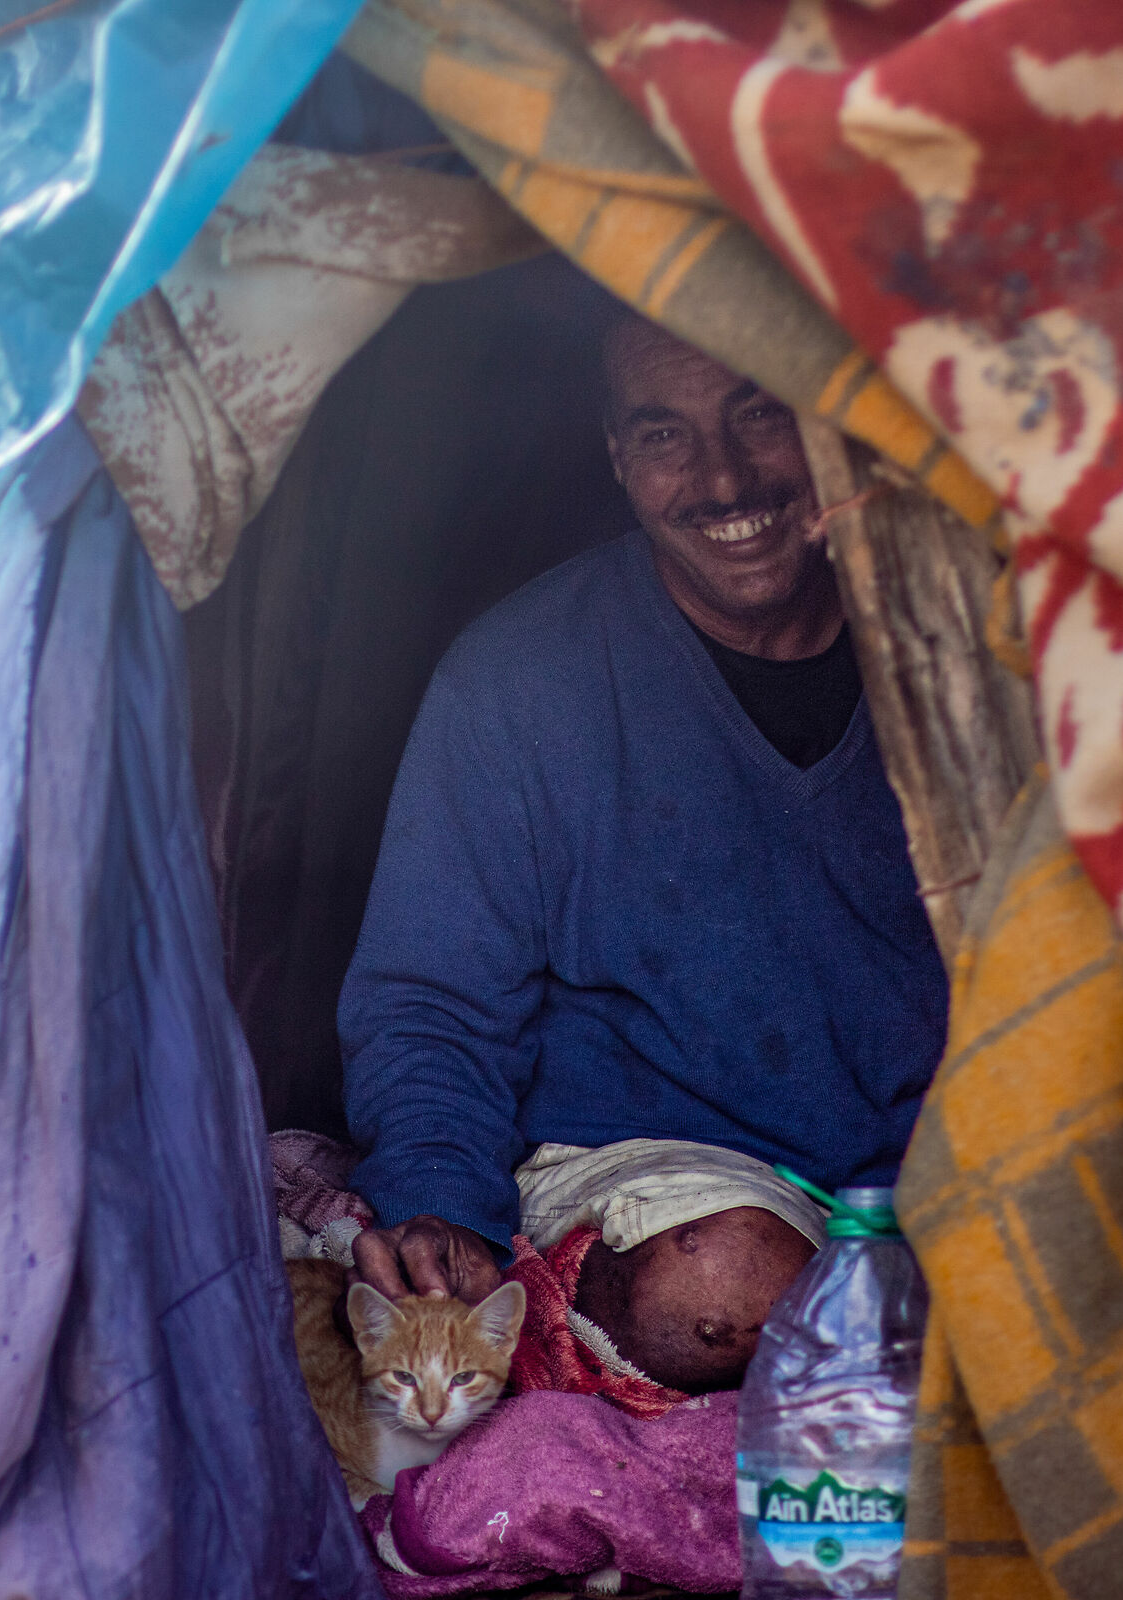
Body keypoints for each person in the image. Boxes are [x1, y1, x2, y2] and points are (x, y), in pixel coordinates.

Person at [337, 315, 948, 1392]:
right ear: (618, 459)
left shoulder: (954, 645)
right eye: (665, 436)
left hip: (936, 1156)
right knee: (719, 1287)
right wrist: (439, 1202)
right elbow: (431, 1001)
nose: (723, 479)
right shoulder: (520, 680)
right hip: (660, 1173)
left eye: (759, 415)